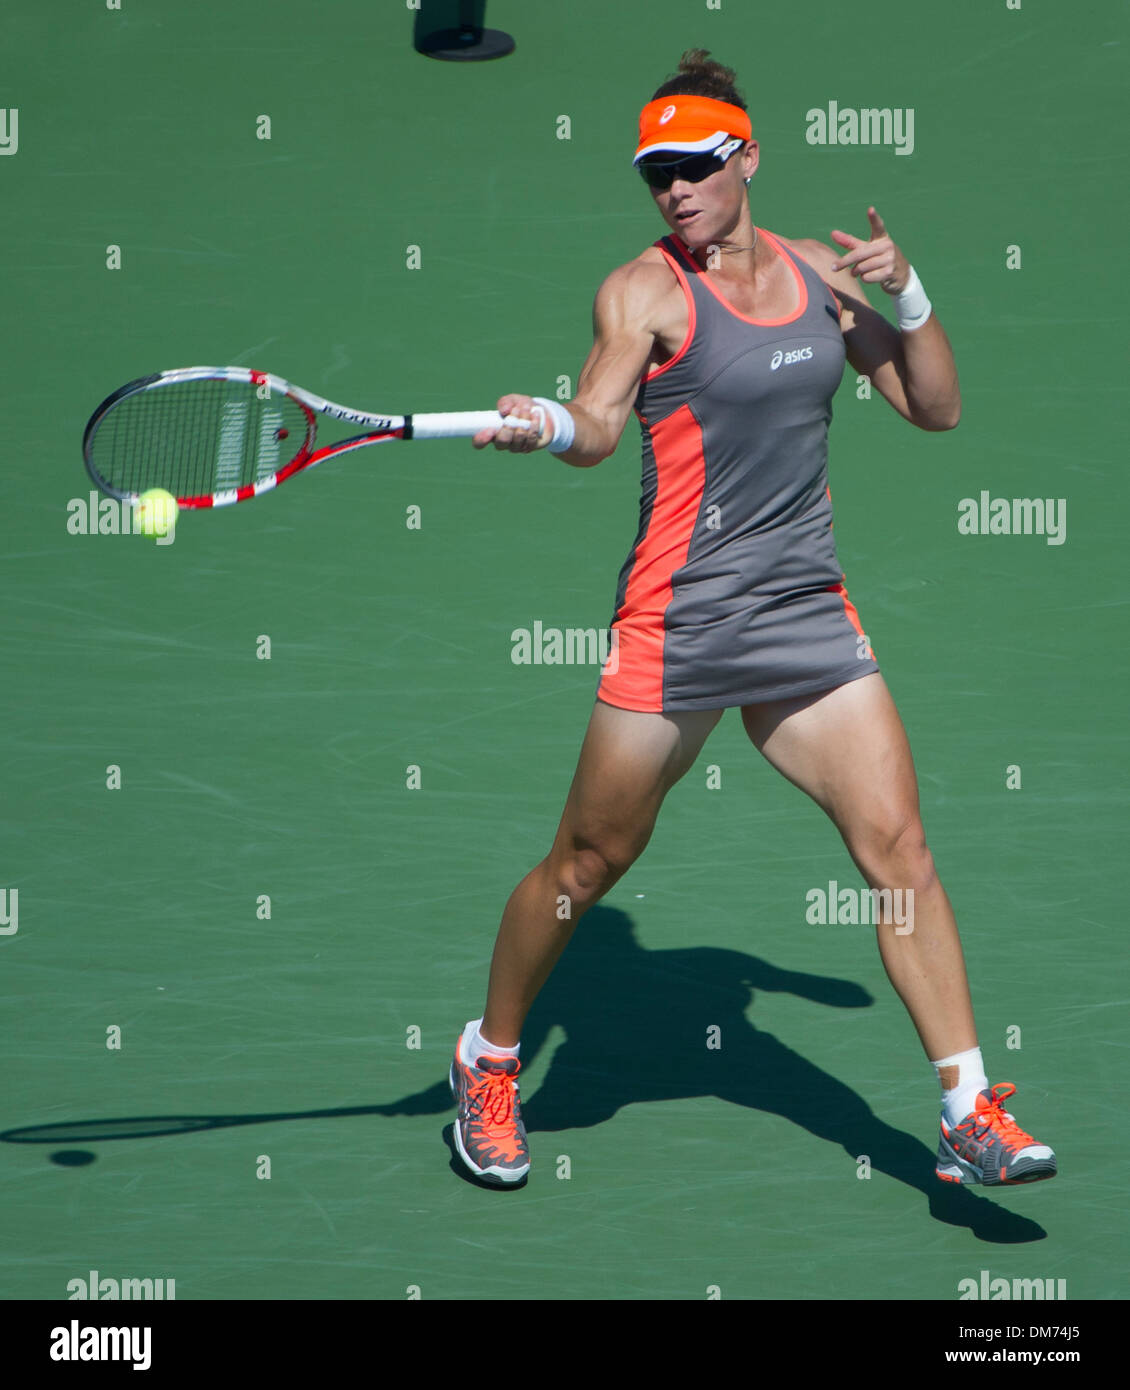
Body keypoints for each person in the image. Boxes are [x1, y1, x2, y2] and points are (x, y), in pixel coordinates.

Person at [450, 49, 1056, 1191]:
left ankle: (966, 1106)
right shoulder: (641, 291)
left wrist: (906, 290)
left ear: (746, 157)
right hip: (677, 623)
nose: (673, 191)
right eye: (654, 176)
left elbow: (934, 406)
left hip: (802, 616)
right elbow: (594, 422)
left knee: (897, 853)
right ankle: (486, 1058)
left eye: (692, 166)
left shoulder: (823, 274)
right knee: (587, 862)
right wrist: (544, 420)